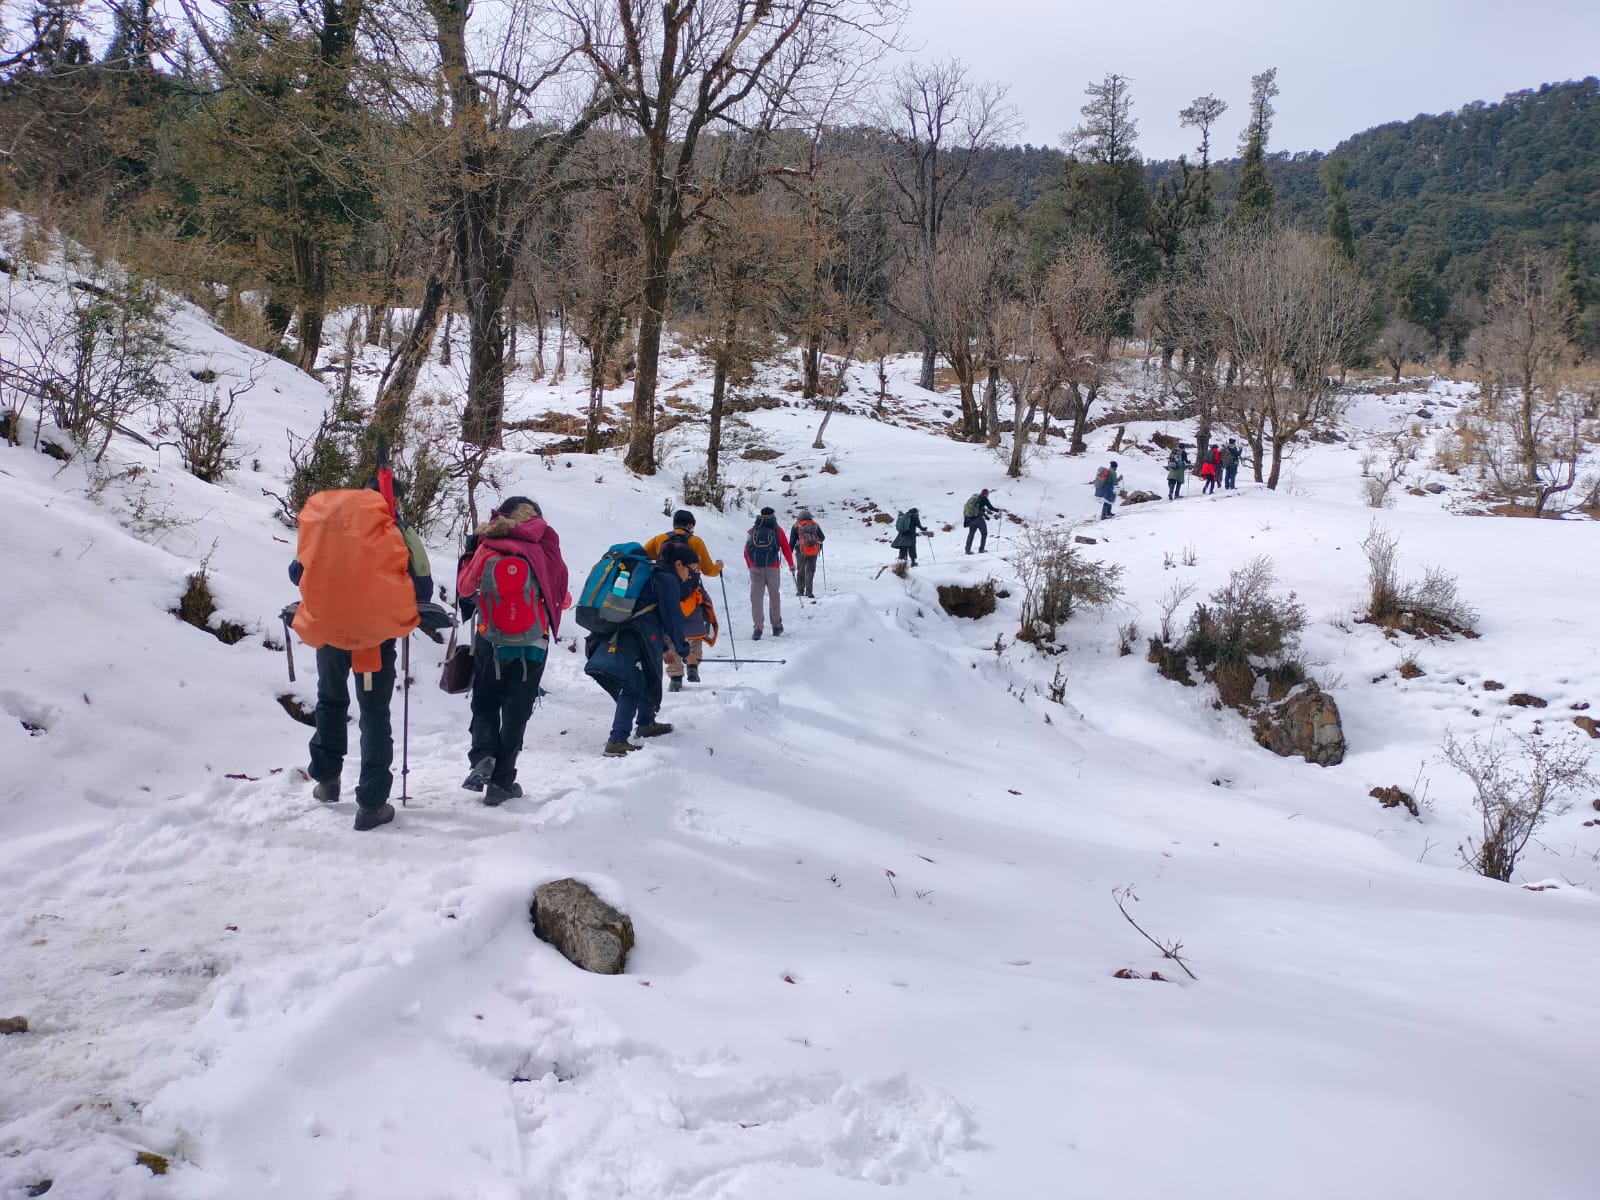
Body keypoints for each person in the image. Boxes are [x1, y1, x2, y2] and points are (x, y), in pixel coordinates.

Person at [290, 479, 432, 832]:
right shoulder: (399, 528)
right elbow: (424, 585)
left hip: (330, 631)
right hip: (375, 636)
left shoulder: (327, 524)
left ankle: (327, 780)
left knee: (330, 700)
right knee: (373, 714)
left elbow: (297, 572)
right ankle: (370, 804)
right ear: (391, 497)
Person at [455, 496, 570, 806]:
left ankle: (482, 756)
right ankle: (502, 783)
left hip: (490, 639)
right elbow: (562, 594)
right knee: (517, 711)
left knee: (486, 700)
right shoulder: (545, 544)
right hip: (533, 642)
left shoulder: (489, 542)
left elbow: (465, 588)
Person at [585, 541, 694, 758]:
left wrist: (663, 647)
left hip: (634, 632)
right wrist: (685, 652)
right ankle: (617, 740)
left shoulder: (654, 575)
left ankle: (646, 722)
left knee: (647, 677)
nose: (690, 575)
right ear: (679, 564)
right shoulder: (668, 580)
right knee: (633, 684)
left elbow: (650, 612)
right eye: (690, 569)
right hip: (635, 635)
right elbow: (672, 620)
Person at [645, 510, 723, 688]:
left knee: (668, 634)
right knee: (696, 629)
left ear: (674, 524)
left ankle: (675, 677)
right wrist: (719, 567)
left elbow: (642, 555)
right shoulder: (696, 541)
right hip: (690, 595)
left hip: (665, 592)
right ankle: (693, 666)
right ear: (690, 525)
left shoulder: (659, 540)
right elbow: (709, 570)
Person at [745, 506, 794, 640]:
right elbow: (785, 548)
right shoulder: (777, 530)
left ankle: (758, 628)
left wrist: (750, 565)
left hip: (756, 568)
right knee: (774, 597)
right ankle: (776, 626)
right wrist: (791, 564)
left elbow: (746, 550)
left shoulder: (753, 530)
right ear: (772, 515)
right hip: (773, 567)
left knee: (756, 599)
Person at [790, 509, 825, 598]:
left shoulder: (796, 526)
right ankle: (809, 592)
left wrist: (789, 552)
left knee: (801, 570)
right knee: (810, 571)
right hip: (813, 550)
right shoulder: (815, 525)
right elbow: (822, 538)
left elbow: (792, 541)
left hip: (800, 551)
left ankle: (800, 590)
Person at [962, 489, 1003, 554]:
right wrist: (999, 510)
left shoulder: (976, 498)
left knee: (971, 534)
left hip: (972, 519)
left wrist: (986, 516)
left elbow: (979, 508)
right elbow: (991, 508)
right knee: (984, 533)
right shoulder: (985, 499)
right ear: (986, 494)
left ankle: (967, 550)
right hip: (979, 519)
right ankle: (981, 549)